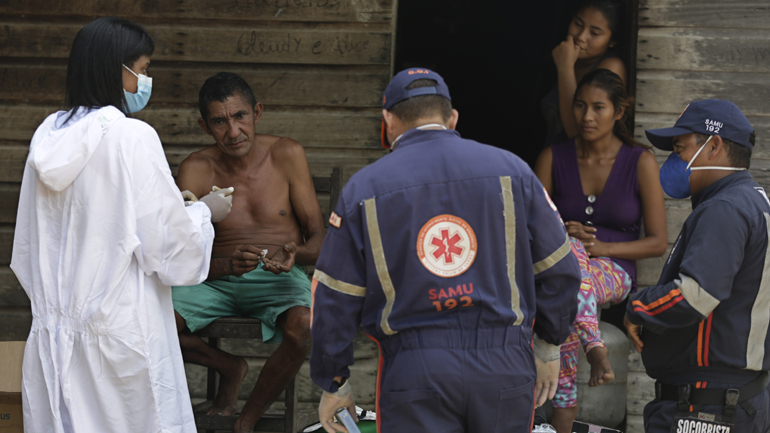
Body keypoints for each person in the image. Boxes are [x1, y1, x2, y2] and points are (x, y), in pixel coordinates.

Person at [309, 67, 582, 433]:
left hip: (415, 370)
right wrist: (550, 344)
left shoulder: (363, 191)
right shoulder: (512, 172)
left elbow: (334, 295)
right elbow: (561, 269)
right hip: (504, 366)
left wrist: (335, 381)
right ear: (452, 118)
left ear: (387, 120)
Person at [9, 17, 232, 433]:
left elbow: (31, 244)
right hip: (122, 336)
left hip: (55, 339)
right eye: (143, 70)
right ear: (118, 71)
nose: (146, 81)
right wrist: (204, 213)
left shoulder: (48, 136)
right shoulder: (132, 137)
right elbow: (169, 253)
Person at [171, 72, 325, 433]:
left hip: (279, 276)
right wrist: (224, 264)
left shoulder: (287, 154)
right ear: (204, 125)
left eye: (239, 116)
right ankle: (229, 367)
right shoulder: (195, 168)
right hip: (214, 281)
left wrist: (297, 255)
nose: (233, 131)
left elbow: (320, 239)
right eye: (219, 121)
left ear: (257, 112)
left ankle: (246, 421)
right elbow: (174, 254)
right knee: (148, 322)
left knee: (304, 327)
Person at [534, 68, 667, 433]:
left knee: (570, 277)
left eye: (598, 108)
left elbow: (658, 242)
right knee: (571, 265)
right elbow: (531, 228)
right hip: (561, 271)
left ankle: (566, 405)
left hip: (615, 270)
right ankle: (595, 348)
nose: (587, 117)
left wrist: (601, 245)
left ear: (619, 111)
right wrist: (563, 232)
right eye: (579, 106)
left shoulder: (640, 161)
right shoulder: (553, 157)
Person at [625, 99, 770, 432]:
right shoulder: (755, 201)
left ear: (714, 146)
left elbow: (695, 296)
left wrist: (636, 307)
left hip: (708, 404)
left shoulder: (726, 208)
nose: (674, 161)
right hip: (738, 398)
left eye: (679, 149)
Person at [541, 0, 627, 146]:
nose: (581, 36)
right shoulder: (569, 58)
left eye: (594, 33)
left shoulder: (611, 67)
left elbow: (577, 133)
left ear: (612, 41)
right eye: (578, 24)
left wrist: (565, 68)